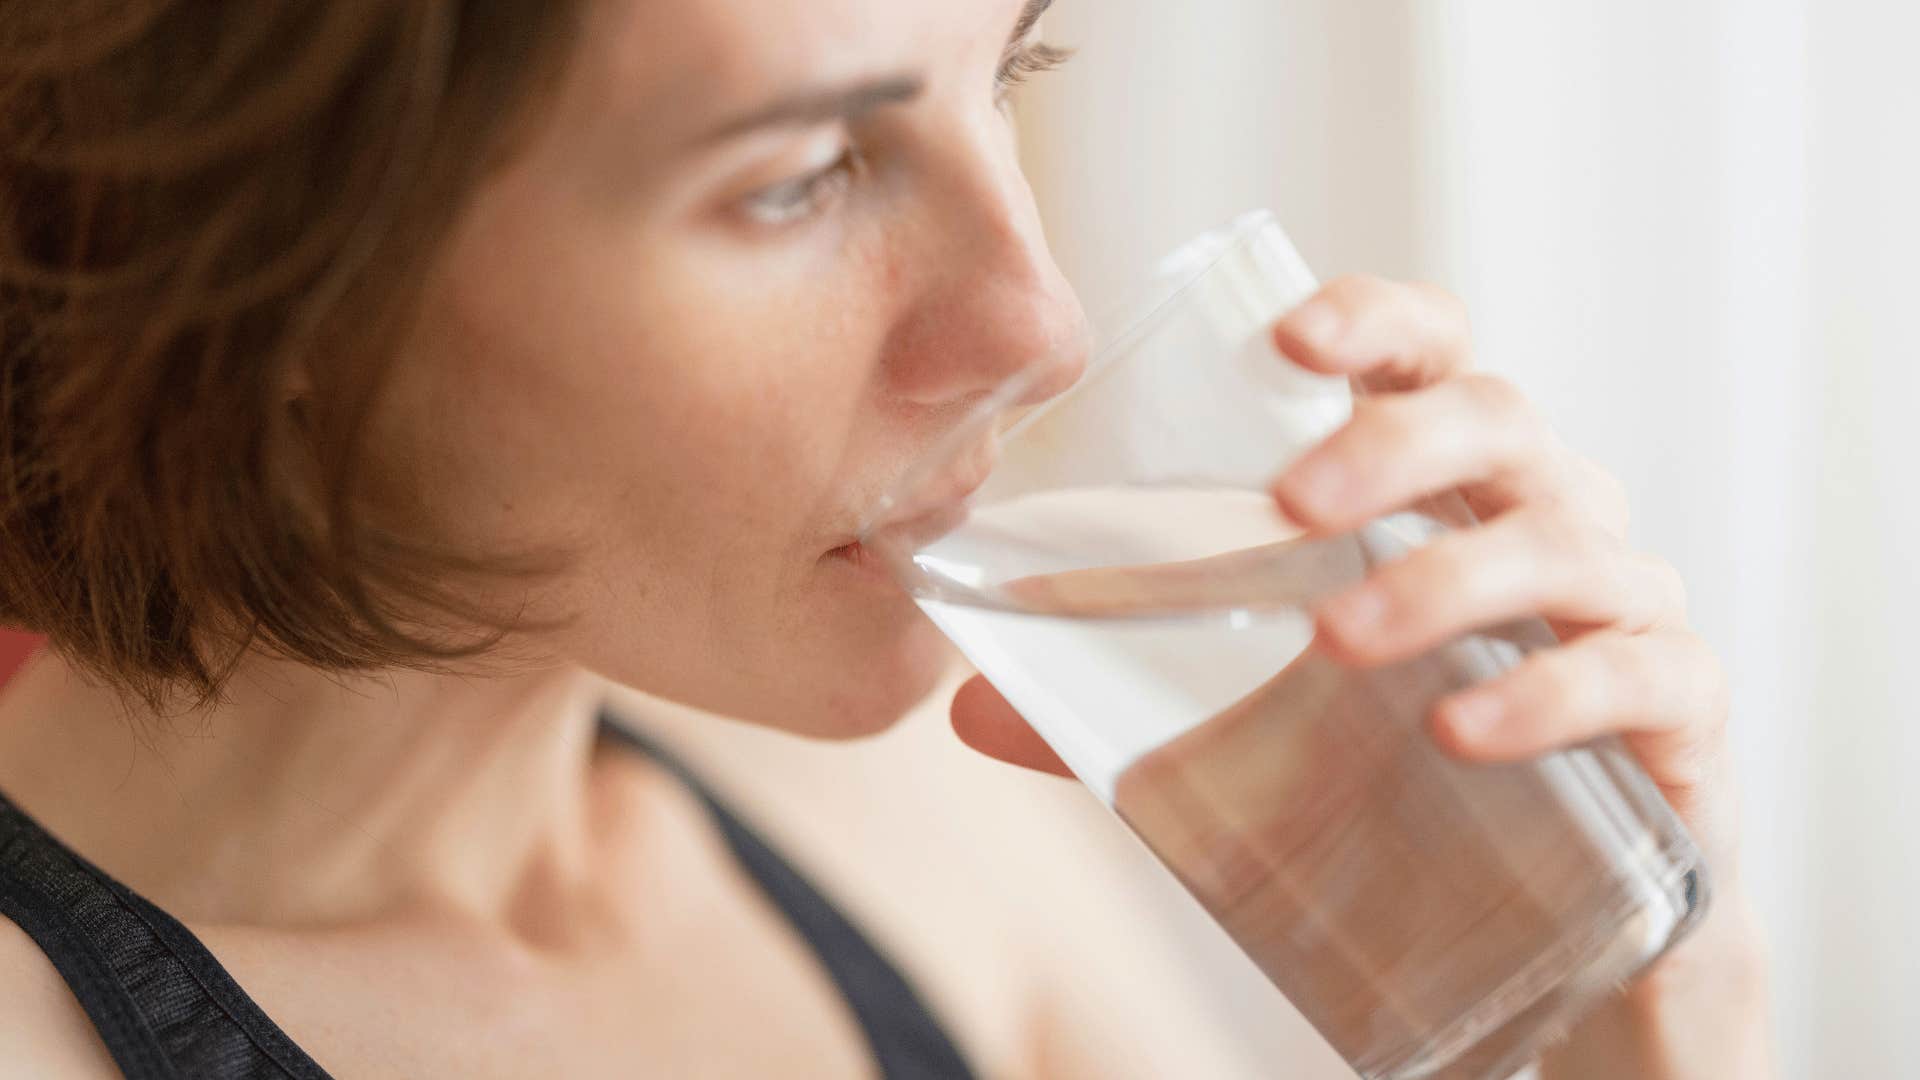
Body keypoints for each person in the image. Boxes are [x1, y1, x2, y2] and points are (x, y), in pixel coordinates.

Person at [0, 1, 1771, 1076]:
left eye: (1006, 71)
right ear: (261, 275)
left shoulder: (899, 816)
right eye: (798, 176)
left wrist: (1644, 997)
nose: (1042, 320)